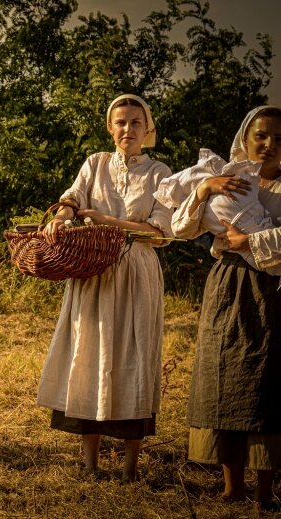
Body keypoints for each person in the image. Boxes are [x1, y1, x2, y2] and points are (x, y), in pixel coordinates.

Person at [36, 94, 173, 481]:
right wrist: (63, 214)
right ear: (110, 128)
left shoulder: (160, 172)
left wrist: (107, 221)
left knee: (133, 357)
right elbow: (73, 197)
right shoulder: (95, 163)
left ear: (147, 129)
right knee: (89, 353)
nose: (127, 129)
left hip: (135, 272)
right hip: (93, 271)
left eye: (134, 122)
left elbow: (159, 232)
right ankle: (90, 463)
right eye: (120, 122)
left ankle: (130, 468)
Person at [171, 106, 281, 509]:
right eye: (262, 136)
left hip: (273, 290)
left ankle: (266, 491)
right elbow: (179, 229)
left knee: (268, 383)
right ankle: (233, 486)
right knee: (225, 377)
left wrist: (250, 242)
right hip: (227, 287)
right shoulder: (227, 181)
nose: (269, 145)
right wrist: (203, 190)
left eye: (279, 139)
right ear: (245, 139)